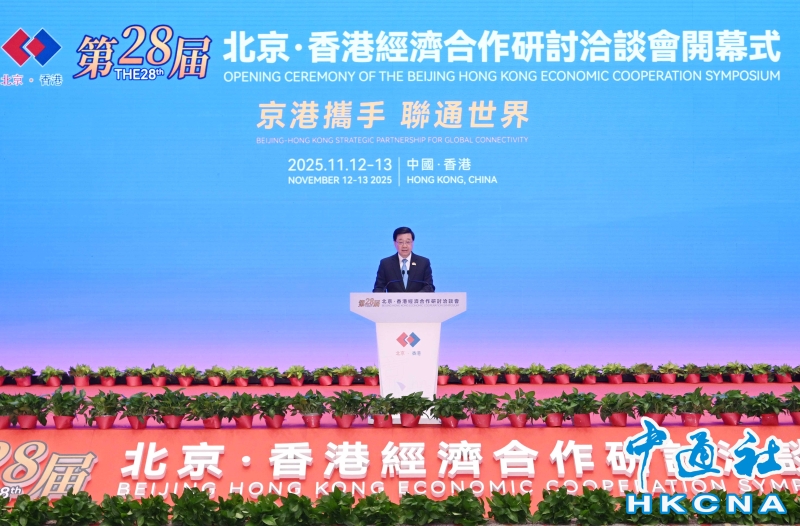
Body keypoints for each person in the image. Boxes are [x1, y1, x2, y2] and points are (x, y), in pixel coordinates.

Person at [372, 227, 435, 292]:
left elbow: (429, 287)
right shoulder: (386, 264)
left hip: (417, 299)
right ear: (395, 243)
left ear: (412, 243)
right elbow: (379, 288)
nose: (404, 246)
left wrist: (415, 297)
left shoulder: (423, 263)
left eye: (408, 242)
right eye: (400, 242)